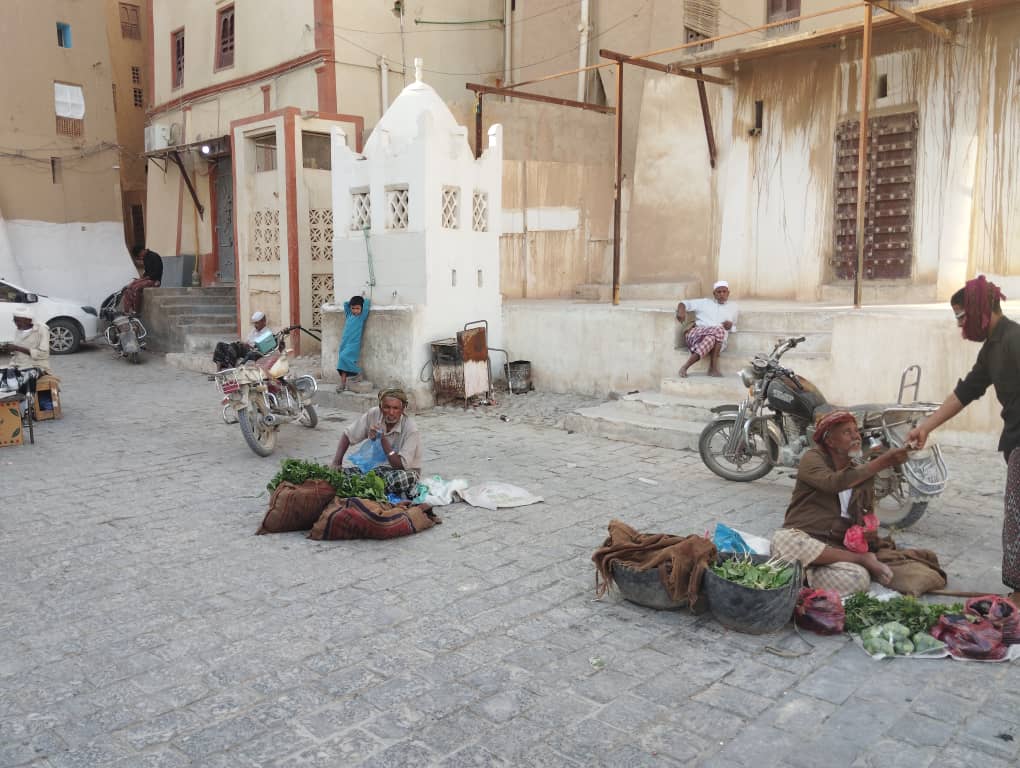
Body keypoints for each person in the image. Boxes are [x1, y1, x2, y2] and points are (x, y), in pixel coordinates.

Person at [906, 276, 1020, 602]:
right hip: (1014, 438)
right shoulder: (992, 348)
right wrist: (927, 426)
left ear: (977, 309)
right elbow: (966, 391)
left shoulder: (1015, 339)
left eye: (960, 316)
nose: (960, 326)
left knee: (1017, 519)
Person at [771, 410, 911, 597]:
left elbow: (864, 515)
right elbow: (832, 483)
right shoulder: (812, 458)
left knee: (858, 578)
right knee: (782, 540)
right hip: (804, 538)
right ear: (830, 441)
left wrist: (867, 533)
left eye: (856, 431)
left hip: (834, 551)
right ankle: (856, 561)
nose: (856, 436)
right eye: (847, 432)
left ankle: (802, 576)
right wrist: (882, 462)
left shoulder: (860, 473)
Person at [330, 387, 422, 498]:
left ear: (402, 410)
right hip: (376, 470)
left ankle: (367, 486)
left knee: (403, 479)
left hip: (400, 472)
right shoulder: (374, 414)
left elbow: (400, 465)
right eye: (387, 407)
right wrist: (336, 462)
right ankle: (370, 486)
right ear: (380, 407)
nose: (391, 412)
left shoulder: (411, 429)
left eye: (396, 408)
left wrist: (382, 439)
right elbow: (348, 435)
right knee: (336, 475)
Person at [675, 280, 739, 378]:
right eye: (719, 292)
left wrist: (730, 327)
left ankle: (685, 367)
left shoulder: (734, 308)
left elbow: (733, 327)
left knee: (713, 336)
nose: (722, 294)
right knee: (718, 330)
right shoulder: (704, 303)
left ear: (728, 293)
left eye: (724, 292)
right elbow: (684, 303)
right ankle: (713, 368)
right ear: (714, 294)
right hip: (697, 335)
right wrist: (681, 310)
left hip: (717, 343)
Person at [0, 307, 52, 411]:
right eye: (15, 320)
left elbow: (44, 354)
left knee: (27, 375)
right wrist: (11, 350)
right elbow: (17, 353)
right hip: (18, 364)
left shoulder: (41, 329)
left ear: (28, 320)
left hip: (36, 365)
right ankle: (8, 408)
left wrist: (17, 348)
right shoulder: (18, 330)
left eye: (18, 320)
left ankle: (25, 408)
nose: (16, 323)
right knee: (2, 374)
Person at [336, 295, 369, 392]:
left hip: (353, 344)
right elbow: (346, 304)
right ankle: (342, 384)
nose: (355, 310)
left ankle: (358, 373)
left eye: (358, 308)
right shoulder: (349, 315)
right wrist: (351, 302)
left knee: (343, 358)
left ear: (362, 308)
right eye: (353, 308)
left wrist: (363, 297)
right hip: (344, 344)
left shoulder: (361, 317)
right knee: (342, 365)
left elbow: (367, 303)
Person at [121, 245, 163, 315]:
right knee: (128, 288)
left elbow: (157, 272)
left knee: (136, 288)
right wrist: (140, 279)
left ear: (142, 251)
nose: (140, 257)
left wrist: (143, 279)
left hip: (155, 280)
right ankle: (127, 310)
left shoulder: (154, 256)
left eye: (139, 255)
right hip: (148, 279)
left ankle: (136, 311)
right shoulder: (145, 258)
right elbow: (147, 272)